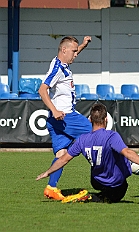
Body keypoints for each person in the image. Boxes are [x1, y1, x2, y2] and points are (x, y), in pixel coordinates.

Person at [36, 102, 139, 203]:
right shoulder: (111, 136)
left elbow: (63, 159)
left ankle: (95, 194)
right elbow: (127, 152)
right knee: (116, 192)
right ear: (106, 119)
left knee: (109, 159)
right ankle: (89, 197)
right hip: (115, 183)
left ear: (90, 119)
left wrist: (48, 172)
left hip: (96, 181)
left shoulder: (82, 139)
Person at [38, 36, 93, 200]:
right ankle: (109, 178)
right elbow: (42, 90)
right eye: (74, 51)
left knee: (62, 154)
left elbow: (72, 51)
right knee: (96, 134)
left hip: (57, 120)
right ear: (64, 50)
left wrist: (82, 45)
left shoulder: (61, 63)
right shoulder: (57, 69)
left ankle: (51, 188)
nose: (75, 55)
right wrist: (54, 110)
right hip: (65, 116)